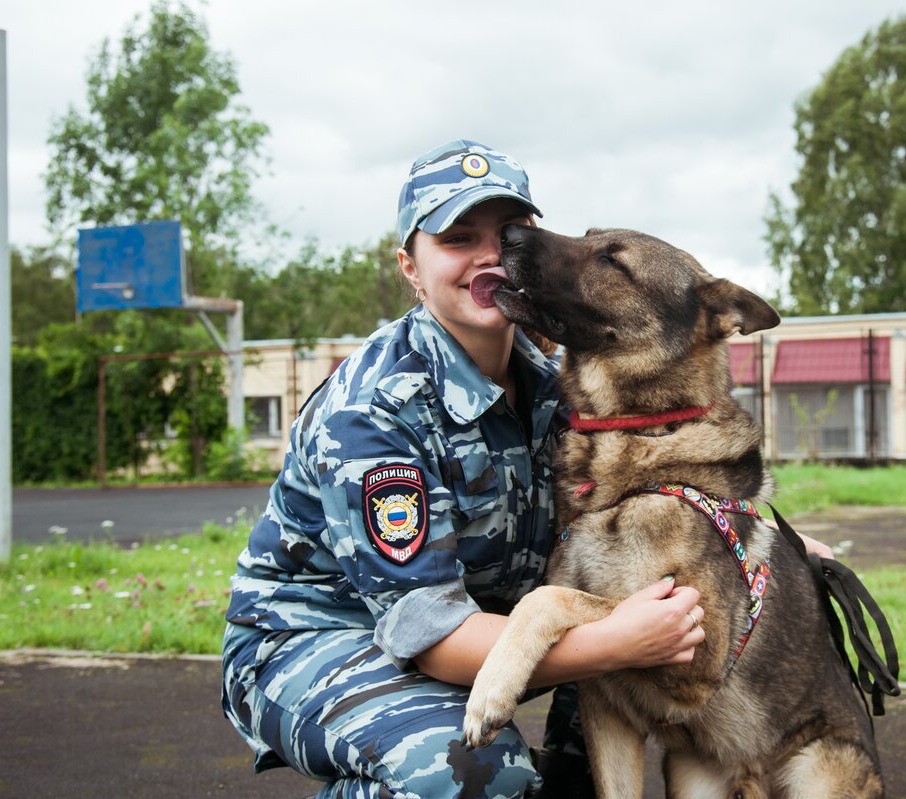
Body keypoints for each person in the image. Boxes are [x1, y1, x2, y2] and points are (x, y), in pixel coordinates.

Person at [220, 140, 709, 799]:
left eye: (508, 233)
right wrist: (616, 642)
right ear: (410, 268)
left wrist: (763, 541)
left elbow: (656, 485)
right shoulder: (373, 410)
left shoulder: (555, 384)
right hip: (311, 644)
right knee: (474, 773)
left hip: (483, 627)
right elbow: (435, 637)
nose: (487, 255)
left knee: (595, 708)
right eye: (457, 237)